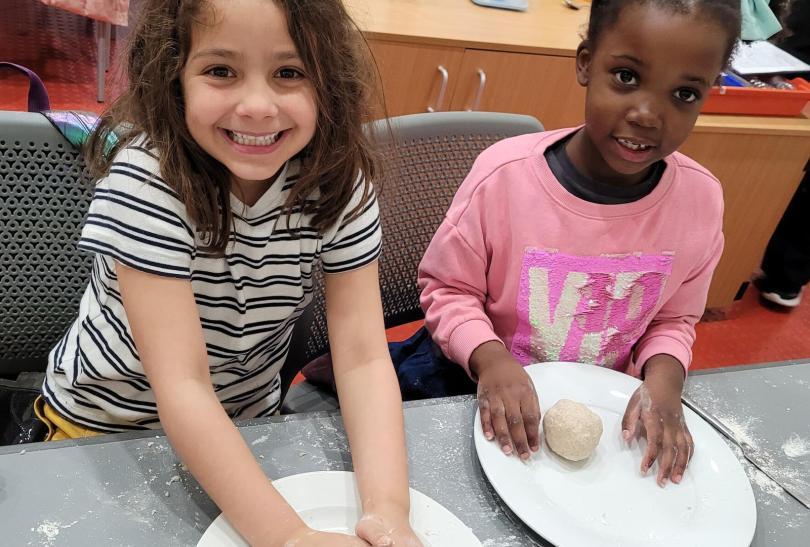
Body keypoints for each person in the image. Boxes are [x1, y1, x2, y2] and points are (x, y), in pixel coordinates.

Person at [37, 1, 420, 545]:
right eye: (221, 71)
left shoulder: (338, 179)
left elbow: (360, 353)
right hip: (104, 432)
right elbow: (183, 385)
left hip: (246, 429)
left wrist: (389, 511)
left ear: (329, 80)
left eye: (290, 72)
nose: (258, 106)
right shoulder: (150, 182)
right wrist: (288, 537)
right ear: (176, 77)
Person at [418, 0, 741, 488]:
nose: (648, 114)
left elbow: (674, 319)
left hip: (602, 408)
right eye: (627, 77)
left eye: (683, 93)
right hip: (474, 381)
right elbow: (447, 290)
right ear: (587, 62)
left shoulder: (701, 201)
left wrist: (666, 381)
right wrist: (491, 358)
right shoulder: (504, 179)